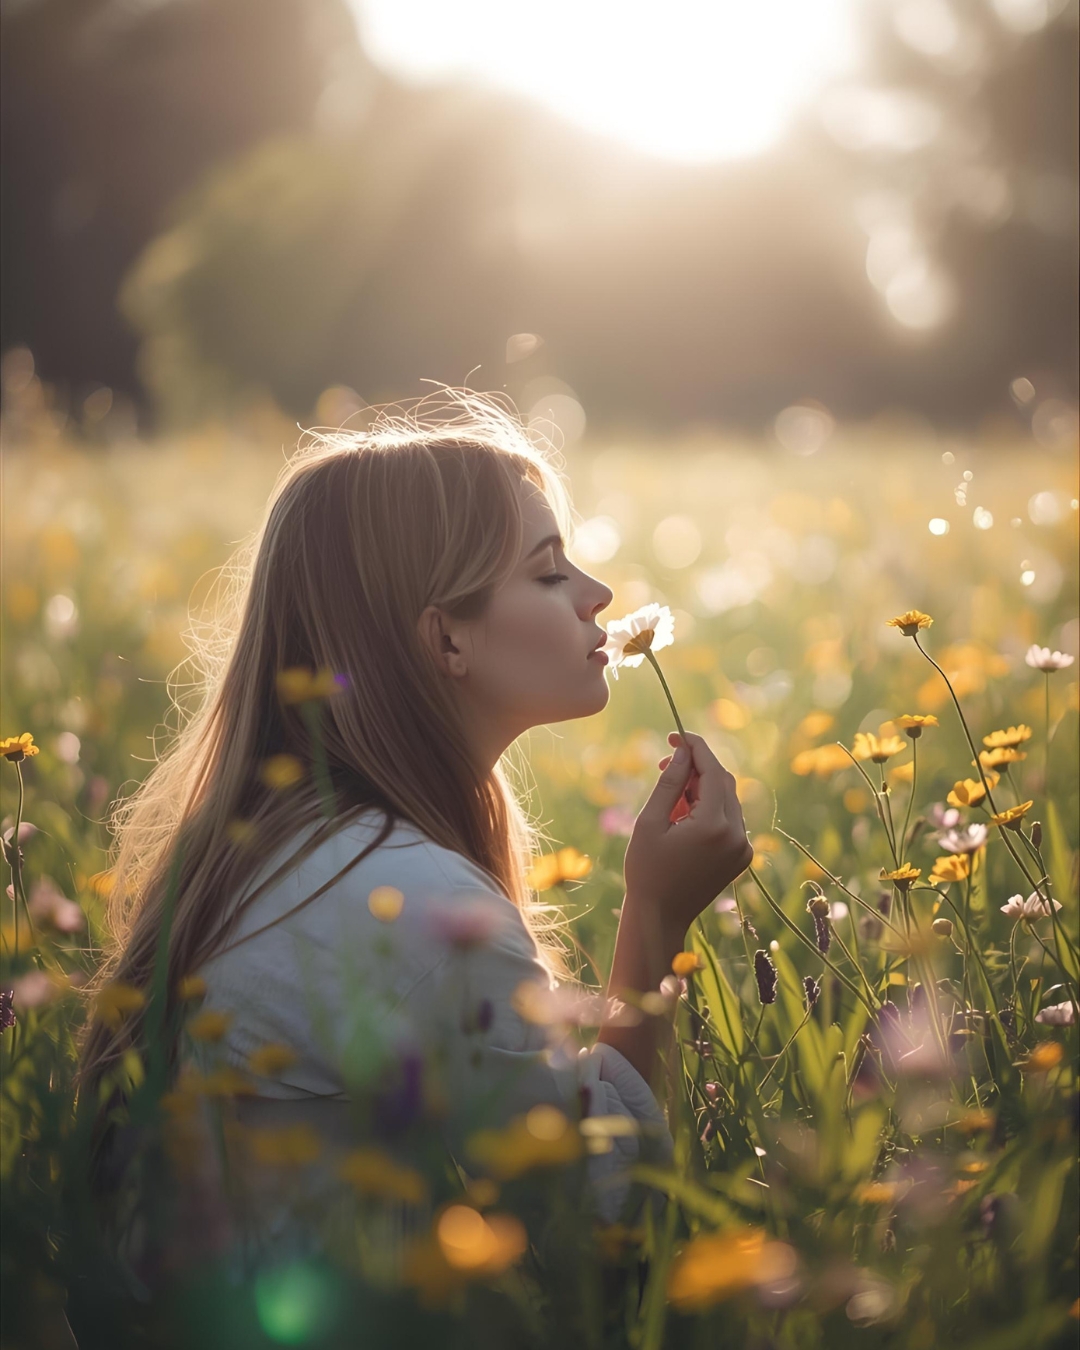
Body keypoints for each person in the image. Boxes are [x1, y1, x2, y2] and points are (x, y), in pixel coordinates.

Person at [74, 391, 752, 1283]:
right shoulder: (412, 901)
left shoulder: (284, 853)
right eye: (549, 573)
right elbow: (603, 1235)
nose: (600, 596)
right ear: (445, 640)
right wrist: (656, 922)